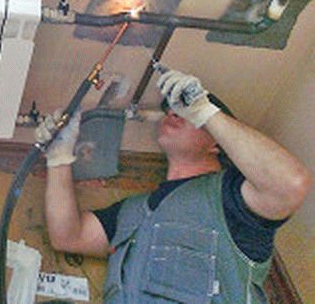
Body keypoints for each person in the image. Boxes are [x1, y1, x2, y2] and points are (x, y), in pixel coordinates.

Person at [40, 69, 311, 303]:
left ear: (216, 143)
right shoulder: (131, 212)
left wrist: (205, 111)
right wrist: (59, 157)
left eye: (186, 110)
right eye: (171, 109)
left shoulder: (230, 198)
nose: (173, 111)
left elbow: (290, 184)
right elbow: (67, 236)